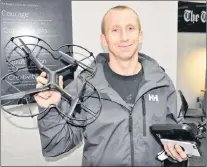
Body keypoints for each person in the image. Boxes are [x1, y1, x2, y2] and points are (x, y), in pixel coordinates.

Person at [34, 5, 188, 166]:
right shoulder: (85, 85)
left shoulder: (162, 83)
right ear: (104, 39)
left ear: (140, 36)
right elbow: (55, 146)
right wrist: (50, 109)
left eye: (130, 28)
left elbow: (175, 138)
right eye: (115, 30)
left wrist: (178, 149)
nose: (124, 37)